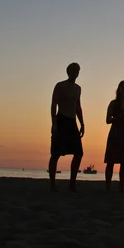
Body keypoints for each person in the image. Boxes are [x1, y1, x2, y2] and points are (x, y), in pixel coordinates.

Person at [48, 63, 84, 192]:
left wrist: (82, 123)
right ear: (68, 72)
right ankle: (52, 184)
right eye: (73, 71)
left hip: (72, 122)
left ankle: (72, 184)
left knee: (78, 153)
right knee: (55, 153)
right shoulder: (60, 86)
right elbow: (53, 106)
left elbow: (78, 107)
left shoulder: (78, 88)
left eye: (77, 71)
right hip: (61, 119)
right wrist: (54, 123)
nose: (75, 73)